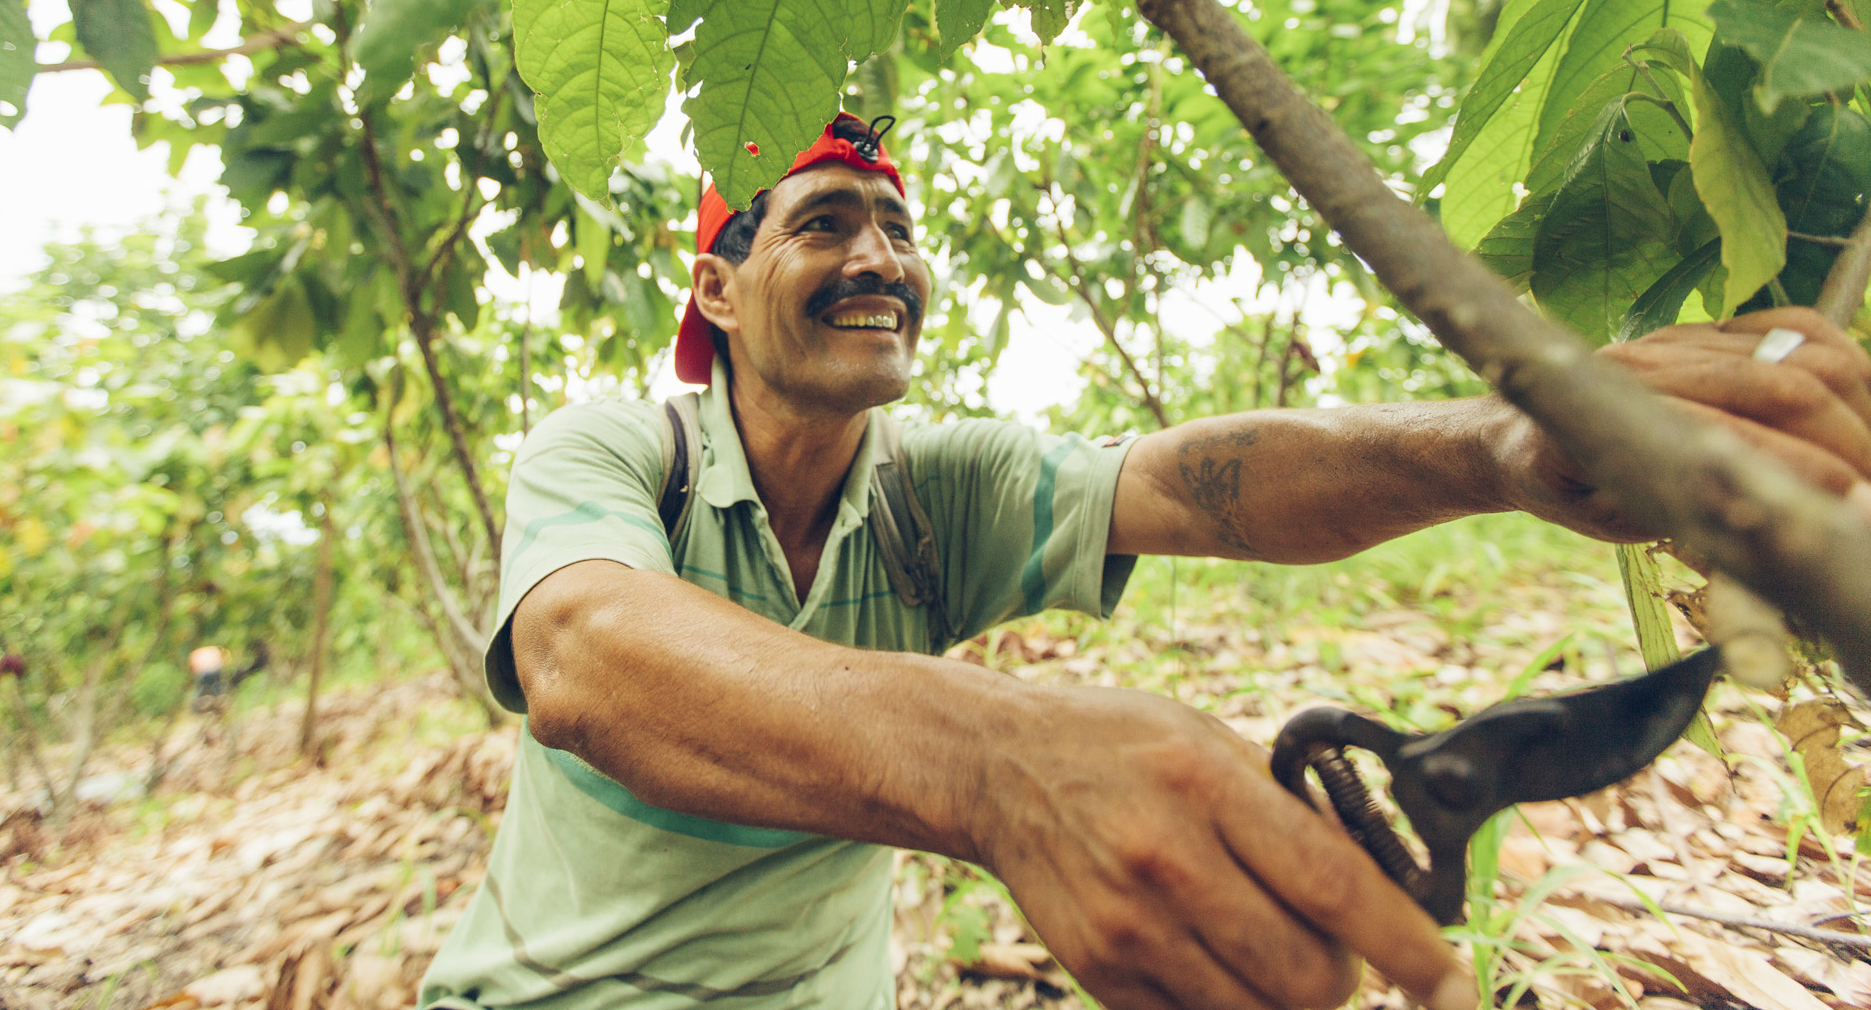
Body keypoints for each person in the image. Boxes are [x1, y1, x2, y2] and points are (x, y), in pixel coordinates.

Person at [417, 113, 1871, 1010]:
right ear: (716, 286)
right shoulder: (615, 450)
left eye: (898, 226)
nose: (880, 256)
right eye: (824, 222)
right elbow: (587, 655)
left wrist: (1497, 443)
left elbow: (1189, 477)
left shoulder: (934, 489)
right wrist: (995, 760)